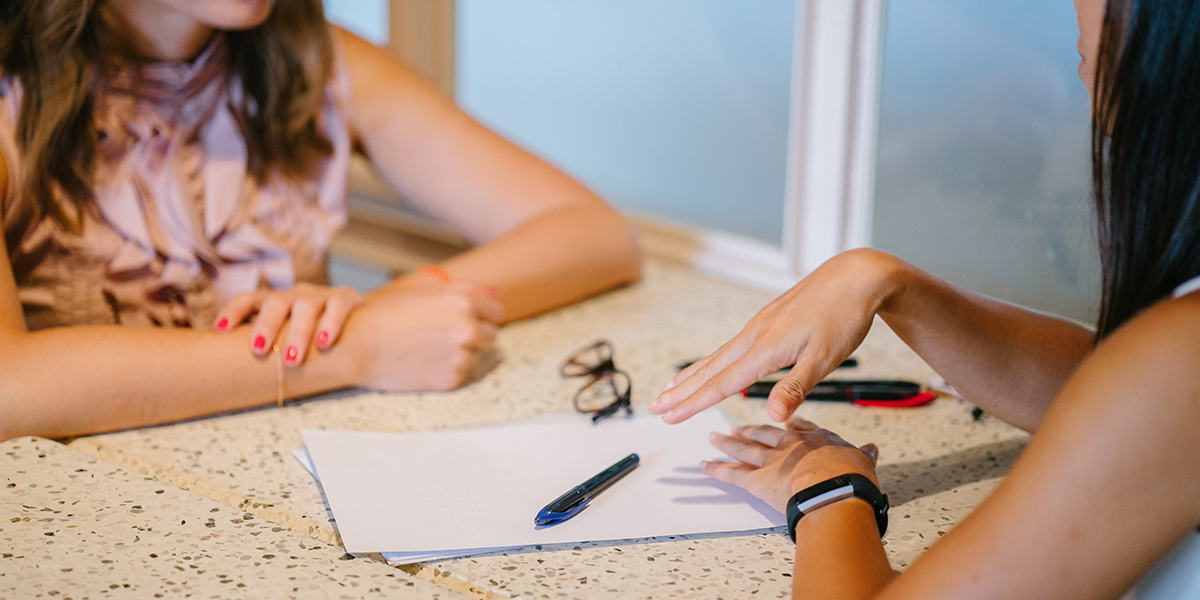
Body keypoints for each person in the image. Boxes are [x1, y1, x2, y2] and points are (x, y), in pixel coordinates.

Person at [648, 0, 1200, 598]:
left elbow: (1152, 395)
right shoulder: (1169, 365)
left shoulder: (1182, 358)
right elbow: (1117, 395)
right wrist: (886, 282)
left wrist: (830, 490)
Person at [0, 0, 641, 441]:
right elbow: (11, 389)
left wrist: (376, 312)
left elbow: (592, 233)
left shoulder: (324, 61)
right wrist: (351, 350)